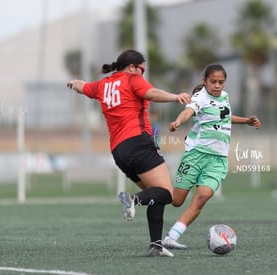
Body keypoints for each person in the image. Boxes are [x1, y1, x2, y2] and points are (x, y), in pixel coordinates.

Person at [66, 49, 191, 257]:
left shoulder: (102, 85)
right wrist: (175, 96)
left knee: (156, 195)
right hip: (138, 142)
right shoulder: (132, 79)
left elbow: (82, 87)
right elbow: (151, 93)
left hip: (119, 152)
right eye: (142, 69)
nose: (142, 74)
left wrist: (74, 83)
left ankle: (156, 245)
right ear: (132, 67)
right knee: (167, 193)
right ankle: (133, 199)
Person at [162, 64, 261, 249]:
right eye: (213, 82)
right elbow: (188, 111)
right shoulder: (200, 97)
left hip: (218, 159)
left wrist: (246, 121)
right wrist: (178, 121)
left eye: (221, 82)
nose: (217, 85)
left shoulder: (224, 97)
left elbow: (225, 116)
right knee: (176, 201)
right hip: (196, 155)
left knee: (202, 197)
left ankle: (171, 237)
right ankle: (142, 197)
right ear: (205, 81)